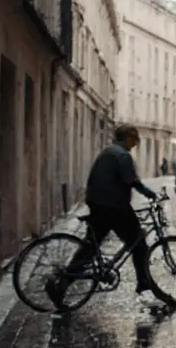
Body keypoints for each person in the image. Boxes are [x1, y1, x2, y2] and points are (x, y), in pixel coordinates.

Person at [49, 124, 160, 305]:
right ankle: (143, 282)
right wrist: (152, 195)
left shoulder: (108, 151)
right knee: (139, 243)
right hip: (114, 205)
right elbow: (133, 182)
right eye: (135, 139)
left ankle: (63, 283)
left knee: (90, 247)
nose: (136, 143)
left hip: (97, 203)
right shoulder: (122, 155)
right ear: (127, 138)